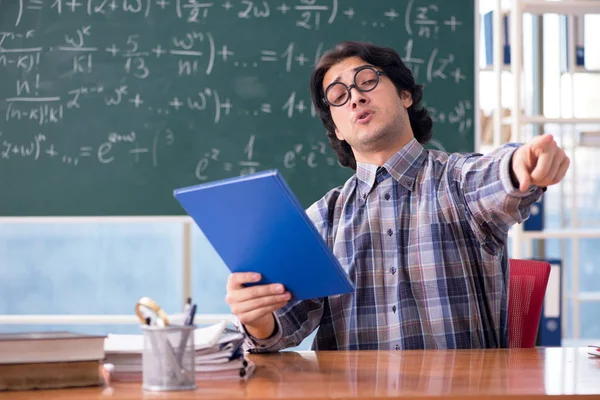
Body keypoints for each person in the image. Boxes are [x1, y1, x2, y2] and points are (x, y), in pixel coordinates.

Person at [226, 41, 570, 351]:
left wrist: (523, 162)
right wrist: (256, 316)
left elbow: (498, 175)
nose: (356, 98)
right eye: (338, 96)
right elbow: (281, 326)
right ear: (337, 129)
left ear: (405, 95)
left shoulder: (458, 183)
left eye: (366, 82)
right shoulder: (322, 220)